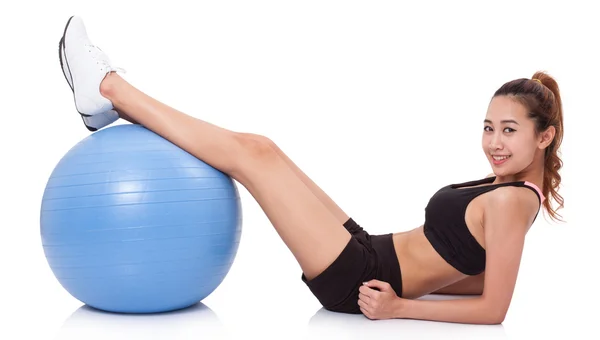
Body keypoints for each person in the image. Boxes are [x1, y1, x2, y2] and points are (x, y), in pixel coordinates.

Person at [58, 16, 564, 324]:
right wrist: (417, 286)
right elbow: (475, 278)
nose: (494, 143)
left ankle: (107, 88)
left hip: (362, 278)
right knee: (263, 146)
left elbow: (494, 308)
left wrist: (398, 307)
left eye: (510, 131)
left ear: (544, 136)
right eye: (489, 127)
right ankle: (108, 103)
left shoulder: (514, 201)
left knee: (251, 158)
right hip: (373, 251)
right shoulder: (507, 188)